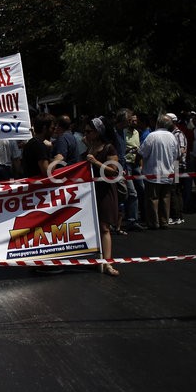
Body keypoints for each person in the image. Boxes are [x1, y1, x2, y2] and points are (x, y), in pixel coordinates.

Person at [83, 117, 121, 276]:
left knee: (104, 227)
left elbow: (114, 171)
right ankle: (98, 259)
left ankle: (108, 263)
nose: (85, 134)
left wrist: (95, 162)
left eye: (88, 131)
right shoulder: (90, 146)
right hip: (91, 191)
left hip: (105, 191)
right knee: (94, 227)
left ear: (98, 132)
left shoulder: (109, 148)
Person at [139, 115, 179, 230]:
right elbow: (177, 156)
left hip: (153, 172)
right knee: (165, 198)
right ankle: (164, 222)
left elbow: (142, 152)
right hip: (169, 173)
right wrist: (175, 176)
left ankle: (153, 223)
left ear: (158, 123)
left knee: (152, 198)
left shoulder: (152, 136)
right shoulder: (172, 137)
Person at [22, 114, 55, 178]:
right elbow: (46, 172)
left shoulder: (31, 143)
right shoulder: (39, 145)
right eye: (52, 128)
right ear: (45, 128)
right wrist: (57, 160)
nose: (53, 131)